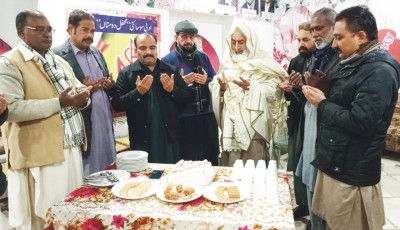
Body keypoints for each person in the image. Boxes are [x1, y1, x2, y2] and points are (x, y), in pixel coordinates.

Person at [304, 6, 400, 230]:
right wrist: (326, 89)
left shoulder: (379, 70)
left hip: (351, 171)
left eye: (339, 37)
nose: (334, 44)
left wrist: (323, 103)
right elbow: (348, 101)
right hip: (338, 161)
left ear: (361, 36)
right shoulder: (358, 61)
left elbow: (361, 122)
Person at [0, 10, 91, 229]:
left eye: (49, 29)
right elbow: (11, 109)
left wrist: (82, 99)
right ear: (22, 33)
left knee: (71, 209)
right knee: (47, 215)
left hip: (70, 146)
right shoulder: (9, 63)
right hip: (40, 152)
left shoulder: (58, 60)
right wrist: (60, 103)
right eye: (39, 30)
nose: (47, 34)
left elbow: (79, 90)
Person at [290, 7, 341, 230]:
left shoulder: (340, 59)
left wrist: (323, 90)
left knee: (320, 184)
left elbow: (340, 99)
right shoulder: (316, 57)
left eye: (319, 28)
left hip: (327, 131)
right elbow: (309, 97)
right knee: (309, 178)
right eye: (313, 29)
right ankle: (314, 220)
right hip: (310, 125)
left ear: (334, 27)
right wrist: (300, 87)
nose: (316, 33)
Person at [209, 24, 287, 167]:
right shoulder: (227, 63)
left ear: (251, 42)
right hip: (230, 129)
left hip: (255, 130)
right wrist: (221, 88)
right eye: (234, 42)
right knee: (230, 173)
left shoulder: (264, 61)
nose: (237, 48)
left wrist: (251, 88)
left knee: (254, 173)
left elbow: (274, 92)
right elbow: (216, 88)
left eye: (241, 42)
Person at [53, 9, 117, 176]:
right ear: (70, 29)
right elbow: (57, 92)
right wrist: (84, 87)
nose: (89, 35)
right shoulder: (57, 55)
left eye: (92, 31)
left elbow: (105, 79)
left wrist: (108, 84)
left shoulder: (96, 52)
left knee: (108, 163)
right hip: (82, 120)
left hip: (103, 117)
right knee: (85, 169)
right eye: (84, 30)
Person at [111, 33, 190, 164]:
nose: (148, 52)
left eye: (152, 47)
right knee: (145, 176)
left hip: (169, 137)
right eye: (143, 48)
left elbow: (186, 98)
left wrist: (172, 91)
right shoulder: (127, 73)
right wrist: (138, 92)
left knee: (170, 174)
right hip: (141, 138)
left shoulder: (170, 70)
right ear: (135, 50)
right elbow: (117, 104)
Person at [162, 20, 219, 165]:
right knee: (189, 162)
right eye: (184, 37)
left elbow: (215, 80)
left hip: (206, 116)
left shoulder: (203, 57)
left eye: (191, 37)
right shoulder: (167, 61)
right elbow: (164, 91)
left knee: (210, 158)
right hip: (184, 119)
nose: (188, 41)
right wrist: (181, 83)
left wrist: (207, 80)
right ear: (176, 38)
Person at [278, 21, 315, 221]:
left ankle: (315, 208)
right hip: (297, 119)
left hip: (314, 122)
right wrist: (287, 89)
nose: (301, 44)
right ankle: (303, 204)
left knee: (309, 163)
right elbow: (291, 97)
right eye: (299, 39)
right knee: (296, 162)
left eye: (306, 40)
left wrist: (300, 88)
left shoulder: (321, 61)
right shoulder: (295, 62)